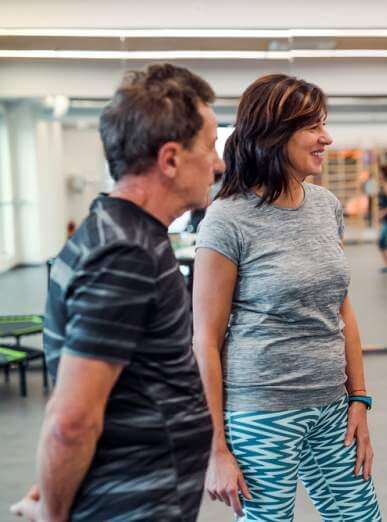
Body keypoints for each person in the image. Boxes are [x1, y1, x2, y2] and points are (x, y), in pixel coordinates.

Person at [10, 63, 222, 521]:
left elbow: (108, 390)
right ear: (170, 159)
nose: (218, 163)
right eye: (209, 147)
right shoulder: (125, 255)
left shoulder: (122, 234)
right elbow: (71, 421)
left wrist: (59, 480)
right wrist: (53, 510)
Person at [192, 74, 381, 521]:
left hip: (333, 408)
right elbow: (205, 340)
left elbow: (341, 307)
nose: (326, 138)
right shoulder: (226, 220)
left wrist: (359, 399)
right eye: (314, 127)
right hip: (260, 413)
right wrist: (215, 446)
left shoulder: (325, 205)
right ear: (274, 135)